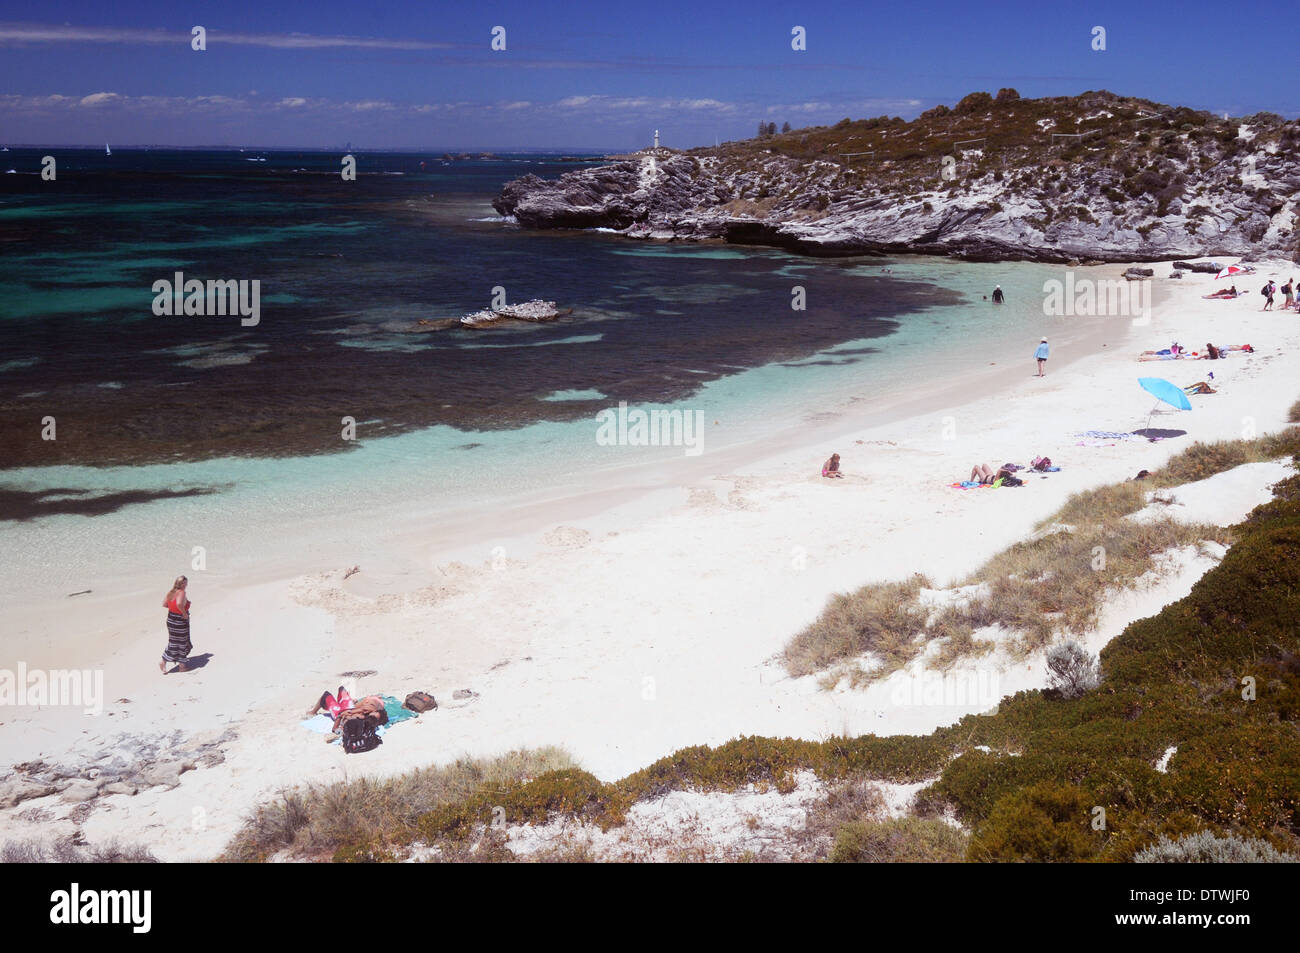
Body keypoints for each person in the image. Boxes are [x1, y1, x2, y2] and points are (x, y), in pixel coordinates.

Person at [160, 575, 192, 674]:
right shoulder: (182, 592)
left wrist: (174, 610)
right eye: (185, 583)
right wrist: (184, 614)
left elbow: (164, 604)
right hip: (179, 621)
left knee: (173, 642)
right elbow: (178, 604)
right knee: (182, 642)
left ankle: (163, 662)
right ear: (182, 584)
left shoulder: (171, 592)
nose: (187, 585)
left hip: (170, 619)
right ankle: (182, 667)